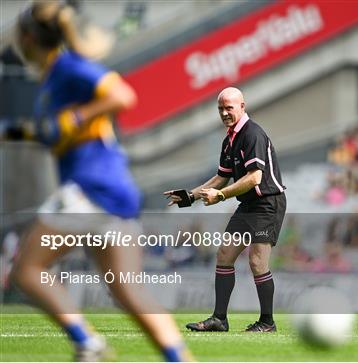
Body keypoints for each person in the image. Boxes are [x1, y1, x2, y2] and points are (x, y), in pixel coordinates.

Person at [5, 1, 191, 361]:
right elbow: (50, 131)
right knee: (127, 290)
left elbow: (123, 95)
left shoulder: (68, 67)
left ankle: (87, 344)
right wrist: (12, 131)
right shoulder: (51, 81)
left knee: (27, 270)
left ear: (28, 37)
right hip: (113, 192)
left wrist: (77, 115)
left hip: (92, 188)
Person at [165, 87, 287, 332]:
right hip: (249, 204)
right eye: (220, 108)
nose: (224, 112)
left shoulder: (252, 134)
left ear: (242, 106)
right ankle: (219, 319)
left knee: (257, 262)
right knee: (224, 254)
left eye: (229, 107)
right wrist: (190, 196)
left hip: (268, 204)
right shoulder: (229, 140)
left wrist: (220, 196)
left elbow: (254, 178)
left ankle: (267, 322)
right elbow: (222, 177)